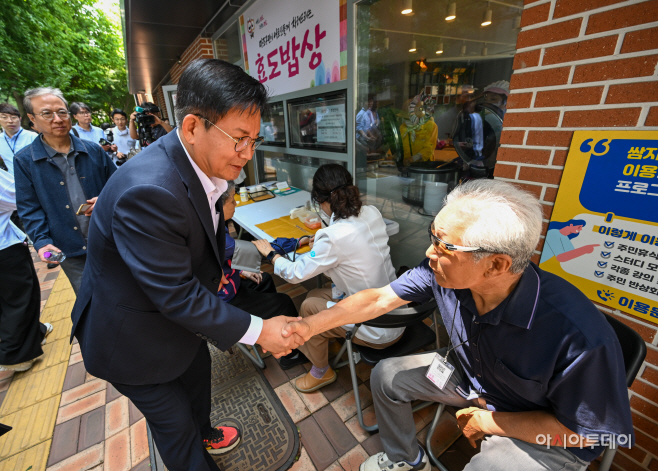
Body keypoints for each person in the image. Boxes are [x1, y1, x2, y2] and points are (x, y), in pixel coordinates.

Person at [283, 179, 634, 471]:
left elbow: (589, 436)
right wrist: (309, 326)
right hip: (474, 377)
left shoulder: (579, 336)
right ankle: (405, 458)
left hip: (543, 425)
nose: (430, 252)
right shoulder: (444, 274)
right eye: (433, 236)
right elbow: (377, 298)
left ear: (496, 265)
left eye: (443, 244)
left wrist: (491, 423)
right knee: (387, 375)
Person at [69, 59, 302, 471]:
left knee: (197, 385)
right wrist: (259, 330)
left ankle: (206, 430)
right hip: (132, 341)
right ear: (194, 126)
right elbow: (174, 292)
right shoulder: (150, 190)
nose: (248, 155)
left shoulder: (200, 166)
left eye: (255, 140)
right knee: (176, 431)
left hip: (179, 325)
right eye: (239, 139)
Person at [253, 164, 398, 393]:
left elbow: (295, 273)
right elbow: (349, 254)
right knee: (314, 294)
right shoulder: (371, 212)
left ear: (320, 201)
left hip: (377, 327)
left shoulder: (332, 236)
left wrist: (271, 255)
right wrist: (321, 244)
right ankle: (325, 346)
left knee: (310, 306)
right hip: (395, 310)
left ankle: (321, 371)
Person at [14, 88, 116, 294]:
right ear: (32, 119)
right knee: (90, 301)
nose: (57, 119)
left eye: (62, 112)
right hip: (69, 248)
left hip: (109, 239)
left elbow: (119, 186)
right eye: (47, 114)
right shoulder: (24, 161)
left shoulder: (93, 150)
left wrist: (106, 200)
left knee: (126, 292)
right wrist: (42, 242)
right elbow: (29, 207)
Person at [218, 181, 298, 319]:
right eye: (232, 200)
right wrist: (297, 242)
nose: (235, 204)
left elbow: (224, 258)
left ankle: (268, 323)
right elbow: (260, 249)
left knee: (264, 279)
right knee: (284, 302)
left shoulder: (214, 225)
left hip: (229, 283)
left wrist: (241, 270)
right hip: (225, 299)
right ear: (219, 205)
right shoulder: (222, 240)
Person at [0, 169, 52, 372]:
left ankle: (35, 333)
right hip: (4, 248)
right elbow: (19, 196)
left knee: (7, 300)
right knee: (20, 299)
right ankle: (15, 354)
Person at [0, 103, 38, 175]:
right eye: (4, 117)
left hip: (34, 180)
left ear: (19, 119)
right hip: (12, 182)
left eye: (14, 117)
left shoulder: (33, 137)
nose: (10, 121)